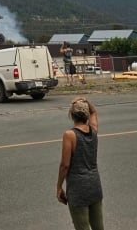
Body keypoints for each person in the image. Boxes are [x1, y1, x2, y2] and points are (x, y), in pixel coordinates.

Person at [57, 97, 103, 230]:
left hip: (78, 190)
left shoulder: (70, 135)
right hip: (95, 186)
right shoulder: (93, 131)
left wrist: (59, 187)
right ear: (86, 115)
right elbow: (94, 113)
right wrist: (86, 101)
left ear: (72, 115)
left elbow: (65, 165)